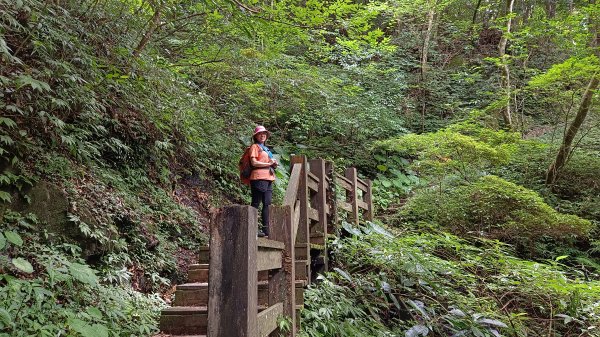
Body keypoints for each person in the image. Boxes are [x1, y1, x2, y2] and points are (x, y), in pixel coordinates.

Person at [249, 125, 278, 237]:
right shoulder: (255, 147)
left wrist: (273, 164)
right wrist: (268, 163)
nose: (263, 135)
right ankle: (252, 229)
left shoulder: (266, 149)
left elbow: (269, 163)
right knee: (256, 203)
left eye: (264, 134)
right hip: (258, 177)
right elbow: (254, 163)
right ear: (256, 136)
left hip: (269, 177)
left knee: (267, 204)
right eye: (260, 134)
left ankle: (266, 230)